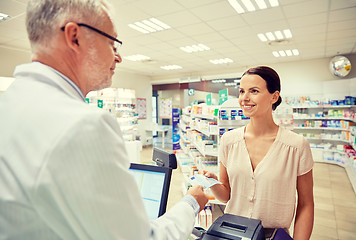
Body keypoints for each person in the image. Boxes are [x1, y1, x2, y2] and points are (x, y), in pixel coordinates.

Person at [0, 0, 208, 239]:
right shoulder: (83, 125)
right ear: (74, 37)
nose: (118, 58)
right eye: (112, 43)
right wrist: (191, 203)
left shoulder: (12, 104)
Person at [200, 66, 314, 239]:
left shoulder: (296, 146)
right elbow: (225, 196)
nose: (244, 98)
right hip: (231, 233)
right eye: (241, 91)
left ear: (274, 97)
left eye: (254, 91)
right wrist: (212, 182)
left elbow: (306, 204)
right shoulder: (229, 141)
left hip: (272, 236)